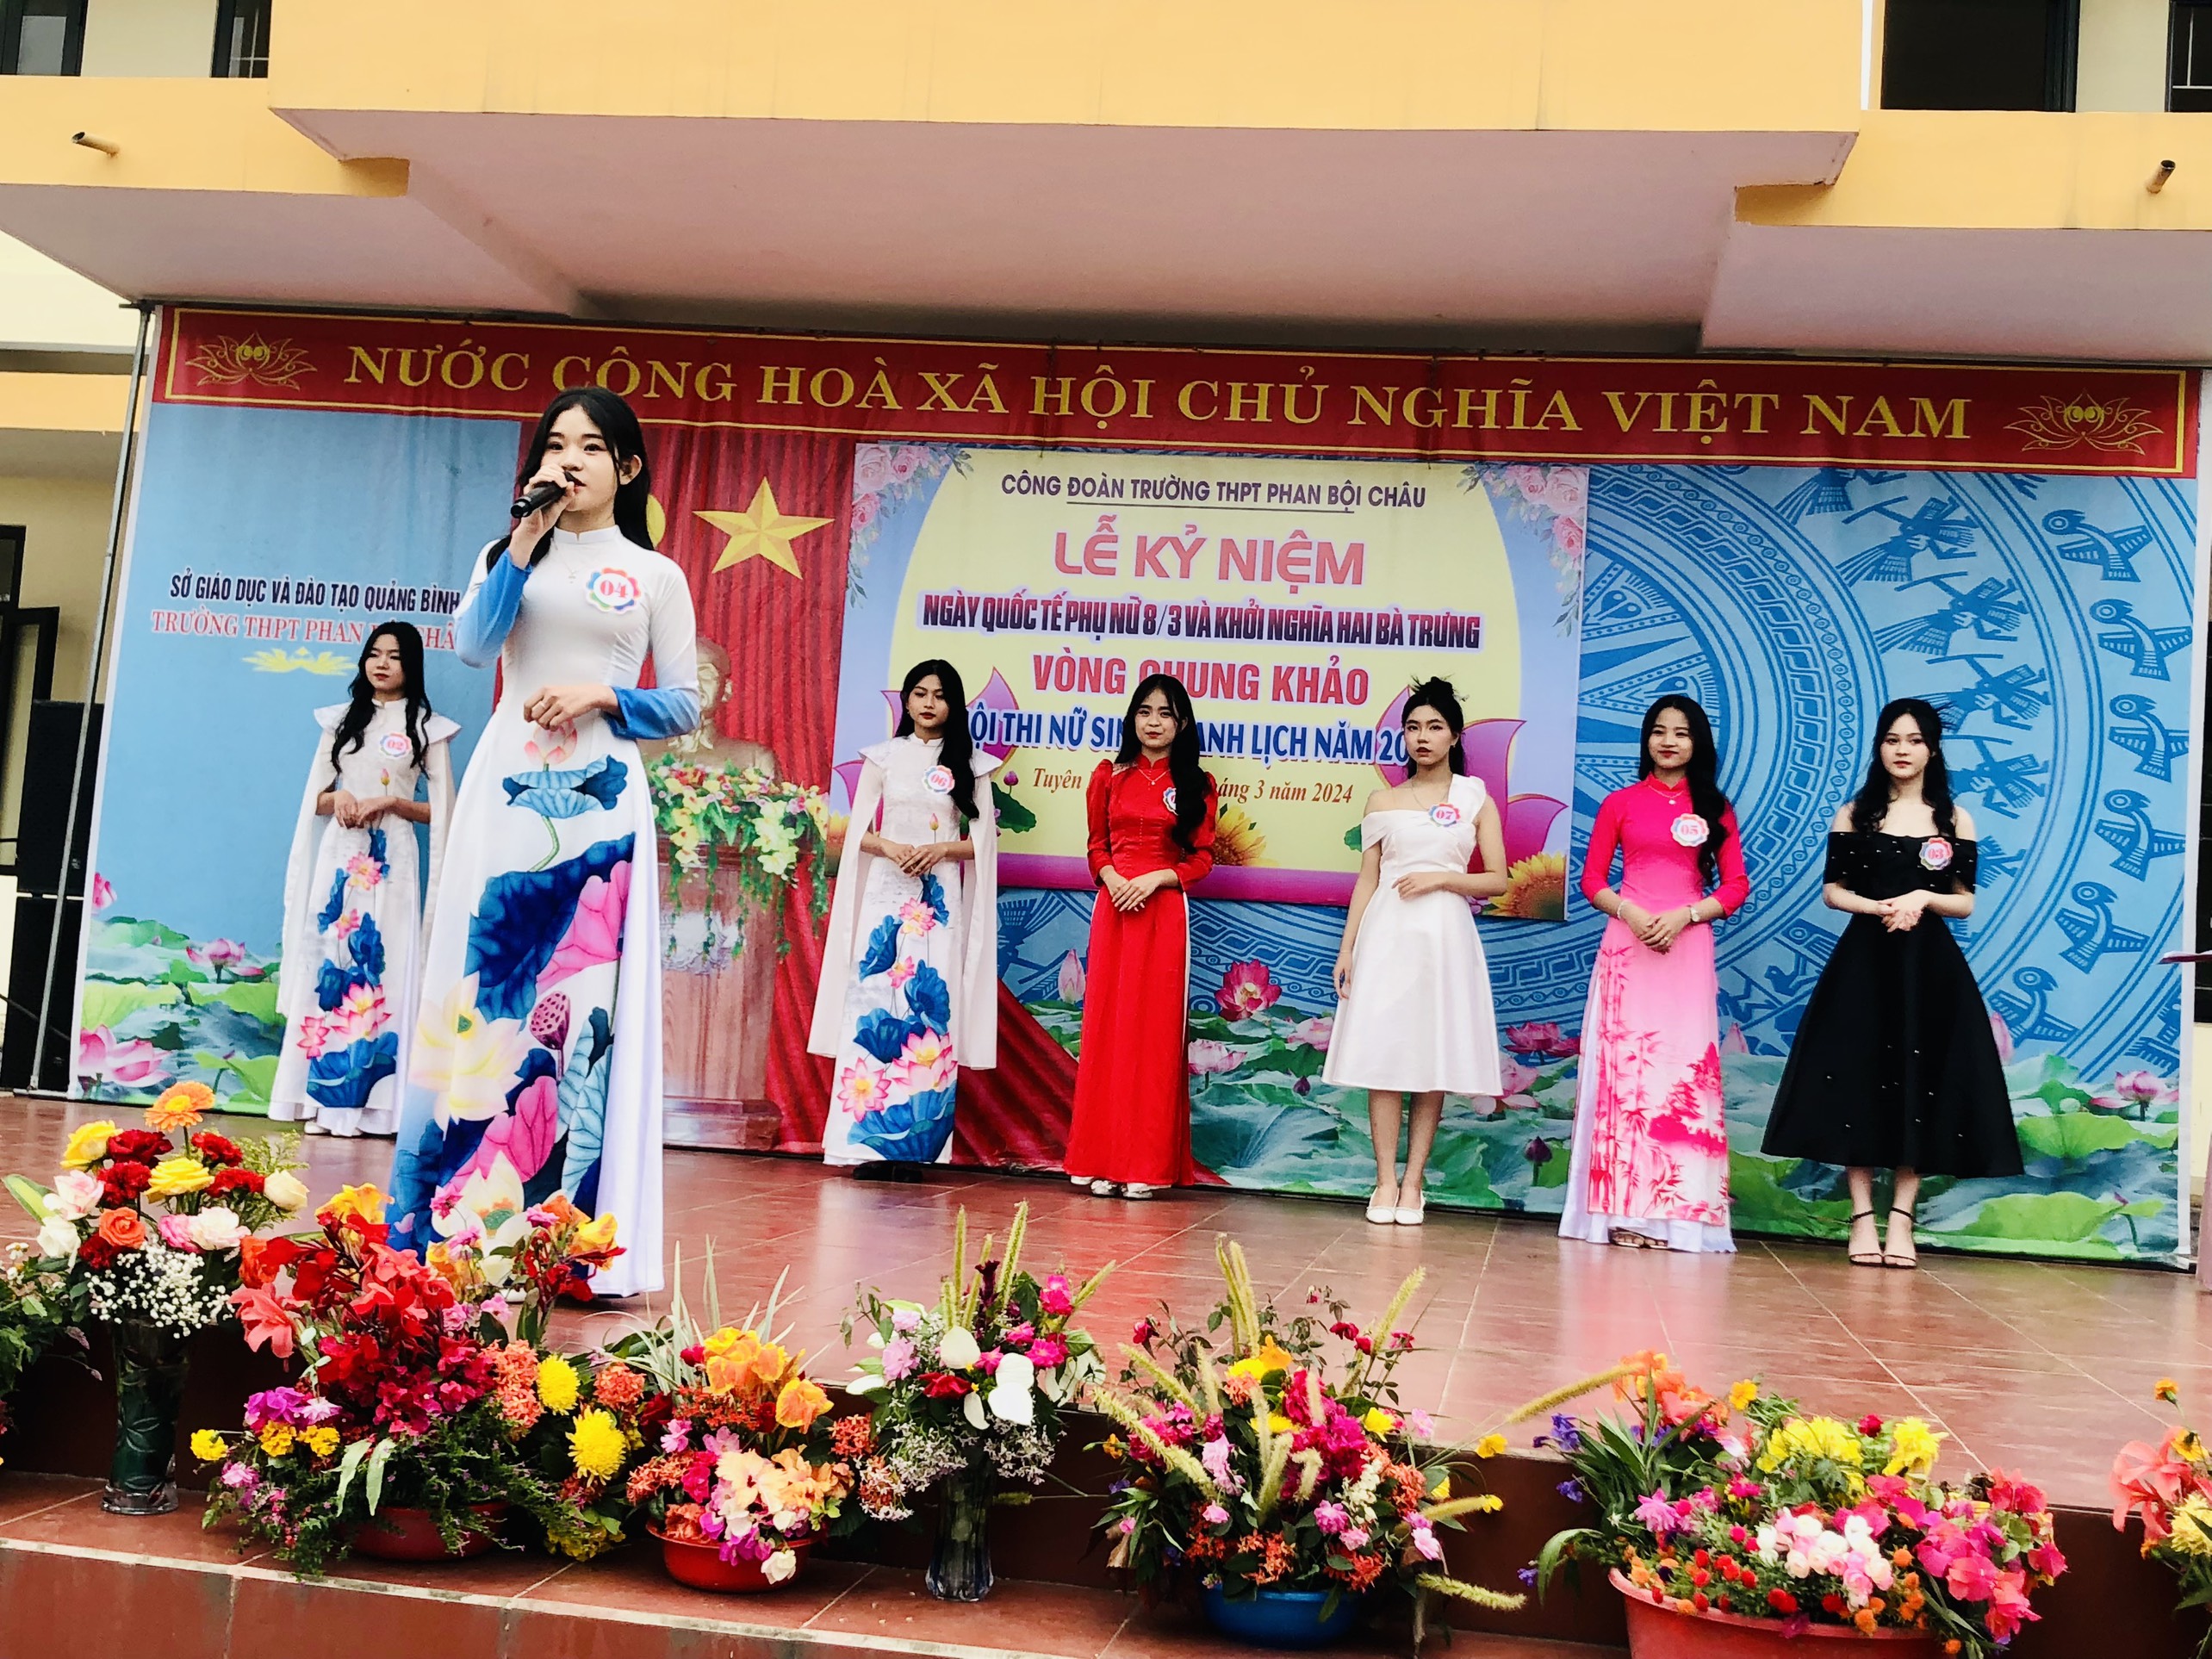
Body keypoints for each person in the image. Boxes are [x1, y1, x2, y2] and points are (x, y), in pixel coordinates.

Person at [388, 386, 699, 1300]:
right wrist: (523, 544)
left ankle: (570, 1233)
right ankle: (455, 1219)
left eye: (591, 447)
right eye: (556, 445)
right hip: (507, 785)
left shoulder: (654, 574)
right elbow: (474, 646)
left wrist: (605, 696)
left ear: (627, 468)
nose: (569, 460)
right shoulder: (507, 554)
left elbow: (684, 705)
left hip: (603, 800)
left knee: (581, 993)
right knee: (484, 979)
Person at [1762, 697, 2021, 1270]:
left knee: (1920, 1083)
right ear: (1879, 747)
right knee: (1858, 1080)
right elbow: (1833, 891)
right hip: (1864, 964)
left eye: (1915, 740)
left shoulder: (1954, 820)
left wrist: (1922, 897)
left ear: (1933, 749)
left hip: (1929, 970)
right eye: (1892, 740)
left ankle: (1902, 1217)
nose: (1902, 751)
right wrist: (1880, 907)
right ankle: (1861, 1217)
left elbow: (1965, 902)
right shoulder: (1855, 813)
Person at [1559, 694, 1750, 1252]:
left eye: (1681, 733)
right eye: (1659, 731)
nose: (1669, 741)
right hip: (1628, 948)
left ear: (1697, 743)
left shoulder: (1715, 808)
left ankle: (1678, 1219)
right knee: (1626, 1077)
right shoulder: (1620, 803)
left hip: (1687, 950)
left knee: (1681, 1075)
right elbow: (1592, 881)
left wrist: (1685, 915)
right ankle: (1620, 1212)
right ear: (1646, 739)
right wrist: (1632, 913)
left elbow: (1736, 887)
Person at [1324, 678, 1507, 1226]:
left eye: (1434, 727)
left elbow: (1498, 879)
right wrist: (1347, 948)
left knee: (1433, 1056)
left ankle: (1413, 1182)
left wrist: (1441, 878)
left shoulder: (1475, 799)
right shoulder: (1382, 801)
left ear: (1455, 736)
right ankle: (1384, 1180)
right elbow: (1368, 879)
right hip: (1388, 935)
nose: (1422, 737)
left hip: (1445, 938)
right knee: (1385, 1055)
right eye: (1412, 727)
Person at [811, 659, 1000, 1175]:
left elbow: (983, 842)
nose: (928, 703)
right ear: (907, 701)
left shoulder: (973, 765)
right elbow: (853, 831)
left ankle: (916, 1150)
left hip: (937, 901)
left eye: (940, 695)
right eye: (919, 693)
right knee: (875, 998)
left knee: (928, 1010)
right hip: (886, 895)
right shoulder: (884, 757)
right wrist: (890, 847)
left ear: (954, 705)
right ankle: (862, 1146)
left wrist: (940, 851)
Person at [272, 622, 457, 1138]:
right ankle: (319, 1102)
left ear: (411, 665)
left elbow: (445, 812)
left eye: (394, 656)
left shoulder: (428, 729)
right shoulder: (339, 722)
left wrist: (393, 802)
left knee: (382, 964)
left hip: (392, 858)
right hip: (341, 856)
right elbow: (313, 801)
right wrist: (339, 798)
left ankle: (376, 1108)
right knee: (330, 962)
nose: (382, 664)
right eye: (374, 654)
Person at [1063, 674, 1215, 1198]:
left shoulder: (1197, 784)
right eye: (1145, 712)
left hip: (1164, 911)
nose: (1154, 722)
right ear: (1132, 719)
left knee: (1153, 1034)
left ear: (1183, 723)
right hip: (1114, 908)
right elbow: (1096, 846)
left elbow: (1203, 859)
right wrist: (1112, 879)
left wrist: (1155, 880)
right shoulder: (1109, 775)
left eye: (1166, 713)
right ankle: (1098, 1159)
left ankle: (1145, 1166)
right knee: (1107, 1029)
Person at [647, 637, 783, 1105]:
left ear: (726, 690)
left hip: (728, 927)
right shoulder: (641, 755)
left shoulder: (753, 761)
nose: (693, 683)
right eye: (682, 674)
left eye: (705, 674)